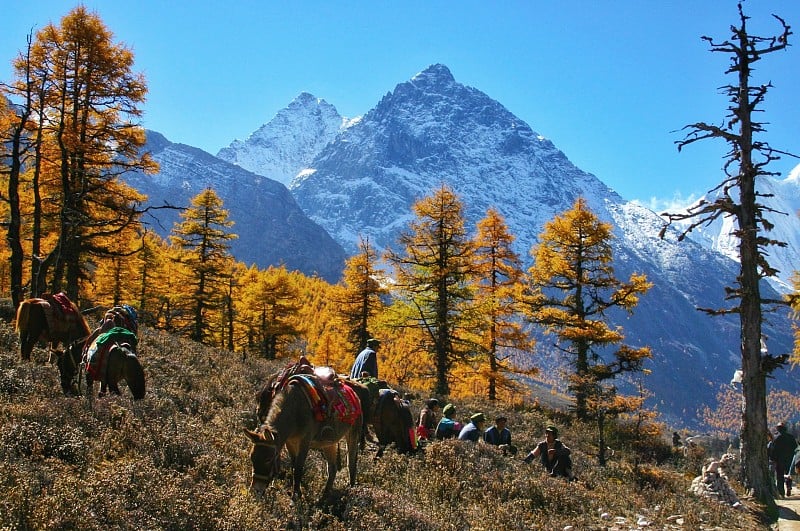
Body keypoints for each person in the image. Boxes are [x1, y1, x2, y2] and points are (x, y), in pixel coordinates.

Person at [769, 422, 798, 497]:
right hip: (789, 459)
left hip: (779, 460)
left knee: (779, 476)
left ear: (778, 428)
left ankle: (781, 492)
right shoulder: (790, 437)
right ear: (785, 428)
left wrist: (772, 458)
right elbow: (795, 448)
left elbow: (773, 449)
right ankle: (789, 487)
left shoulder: (775, 437)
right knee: (788, 474)